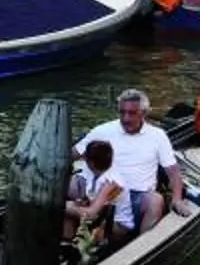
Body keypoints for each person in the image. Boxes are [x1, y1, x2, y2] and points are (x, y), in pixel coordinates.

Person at [82, 89, 186, 235]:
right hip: (104, 190)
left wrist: (177, 199)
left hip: (138, 195)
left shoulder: (158, 136)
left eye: (131, 113)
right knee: (73, 183)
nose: (125, 118)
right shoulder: (103, 130)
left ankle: (142, 245)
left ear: (143, 113)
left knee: (156, 201)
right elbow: (75, 152)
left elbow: (173, 172)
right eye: (122, 112)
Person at [64, 137, 123, 255]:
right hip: (102, 215)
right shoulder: (96, 175)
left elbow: (91, 215)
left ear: (90, 162)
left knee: (68, 211)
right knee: (68, 216)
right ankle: (66, 246)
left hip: (115, 225)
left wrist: (64, 206)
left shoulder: (112, 183)